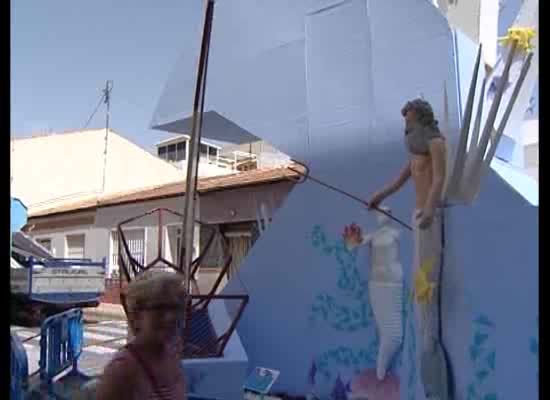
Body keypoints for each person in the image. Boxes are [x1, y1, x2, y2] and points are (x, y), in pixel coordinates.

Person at [367, 99, 448, 398]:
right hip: (418, 218)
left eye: (410, 122)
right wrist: (378, 195)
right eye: (406, 124)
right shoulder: (416, 150)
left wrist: (429, 208)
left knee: (426, 286)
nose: (407, 127)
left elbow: (438, 178)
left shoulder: (436, 143)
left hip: (430, 217)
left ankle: (431, 358)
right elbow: (399, 180)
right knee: (418, 288)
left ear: (423, 121)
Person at [96, 271, 187, 400]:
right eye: (160, 308)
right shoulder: (122, 370)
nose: (170, 317)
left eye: (175, 307)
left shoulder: (172, 355)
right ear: (137, 315)